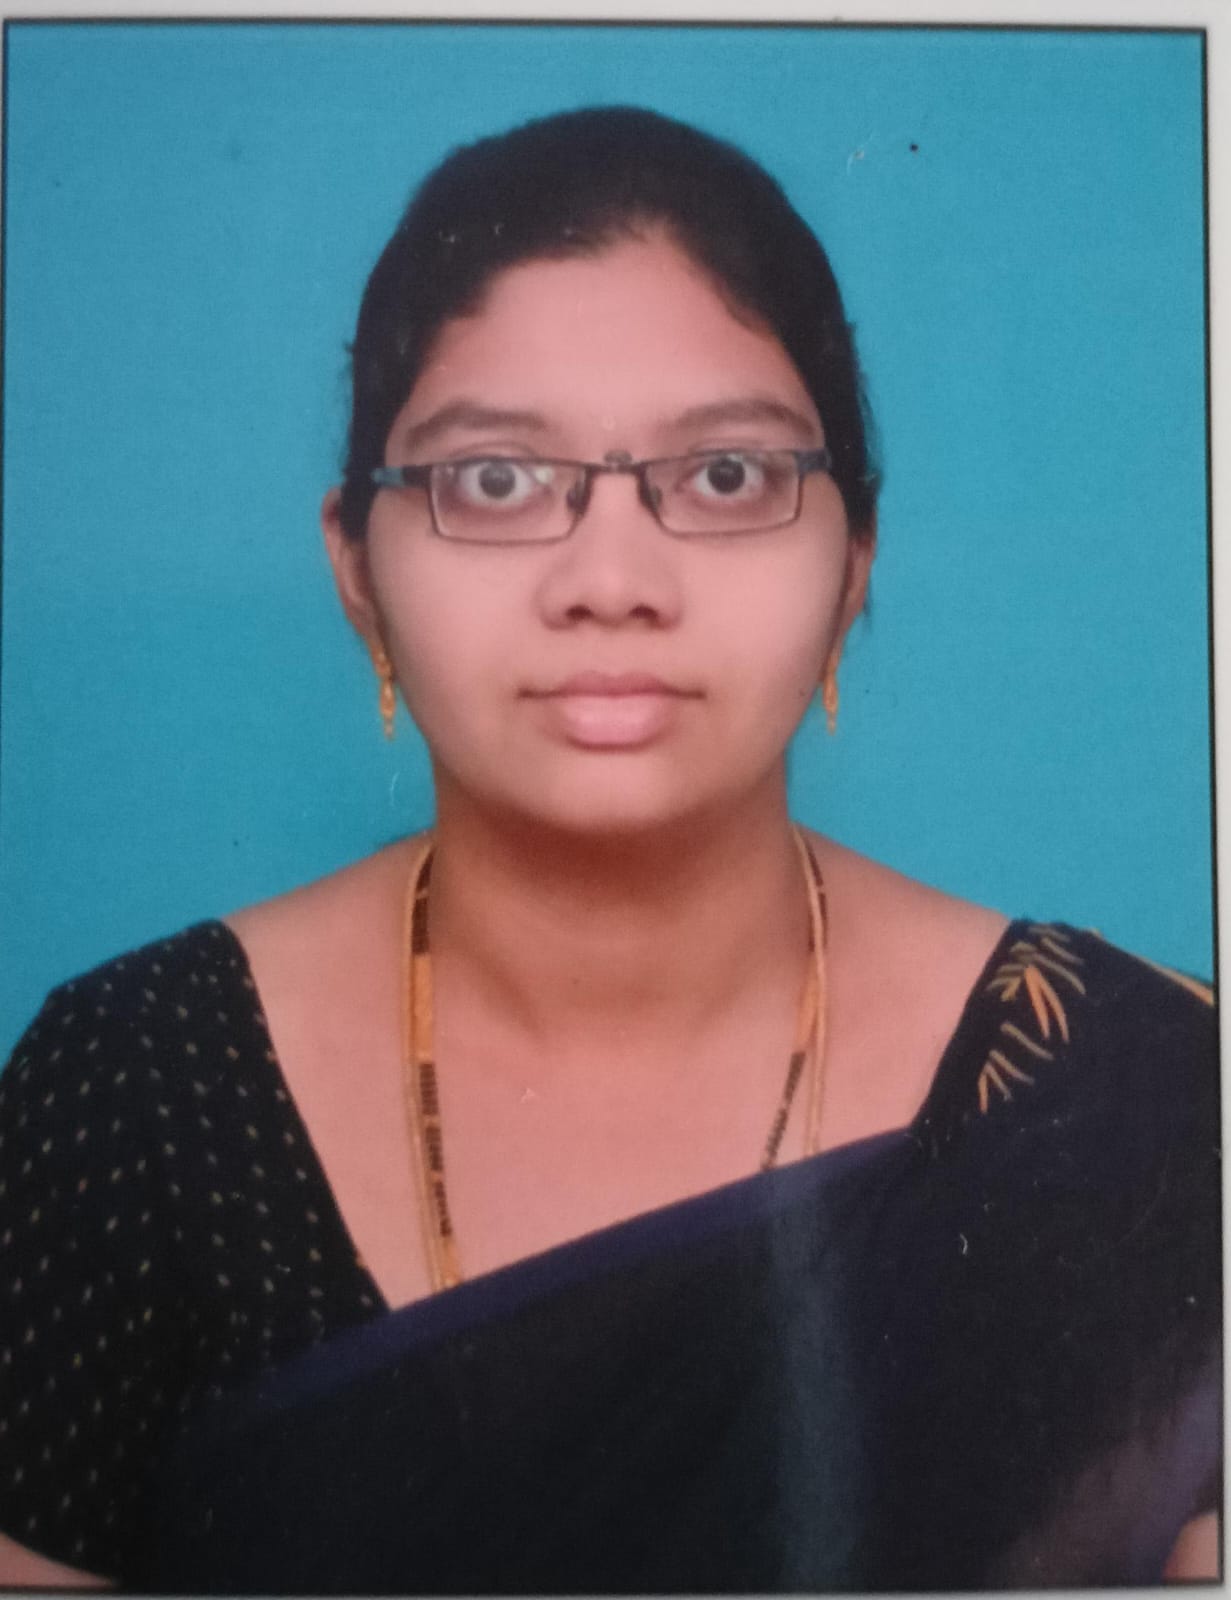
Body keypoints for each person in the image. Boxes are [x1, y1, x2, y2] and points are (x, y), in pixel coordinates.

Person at [0, 106, 1218, 1591]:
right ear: (355, 568)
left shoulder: (1143, 1102)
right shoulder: (133, 1094)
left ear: (856, 562)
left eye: (727, 476)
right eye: (494, 479)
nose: (612, 579)